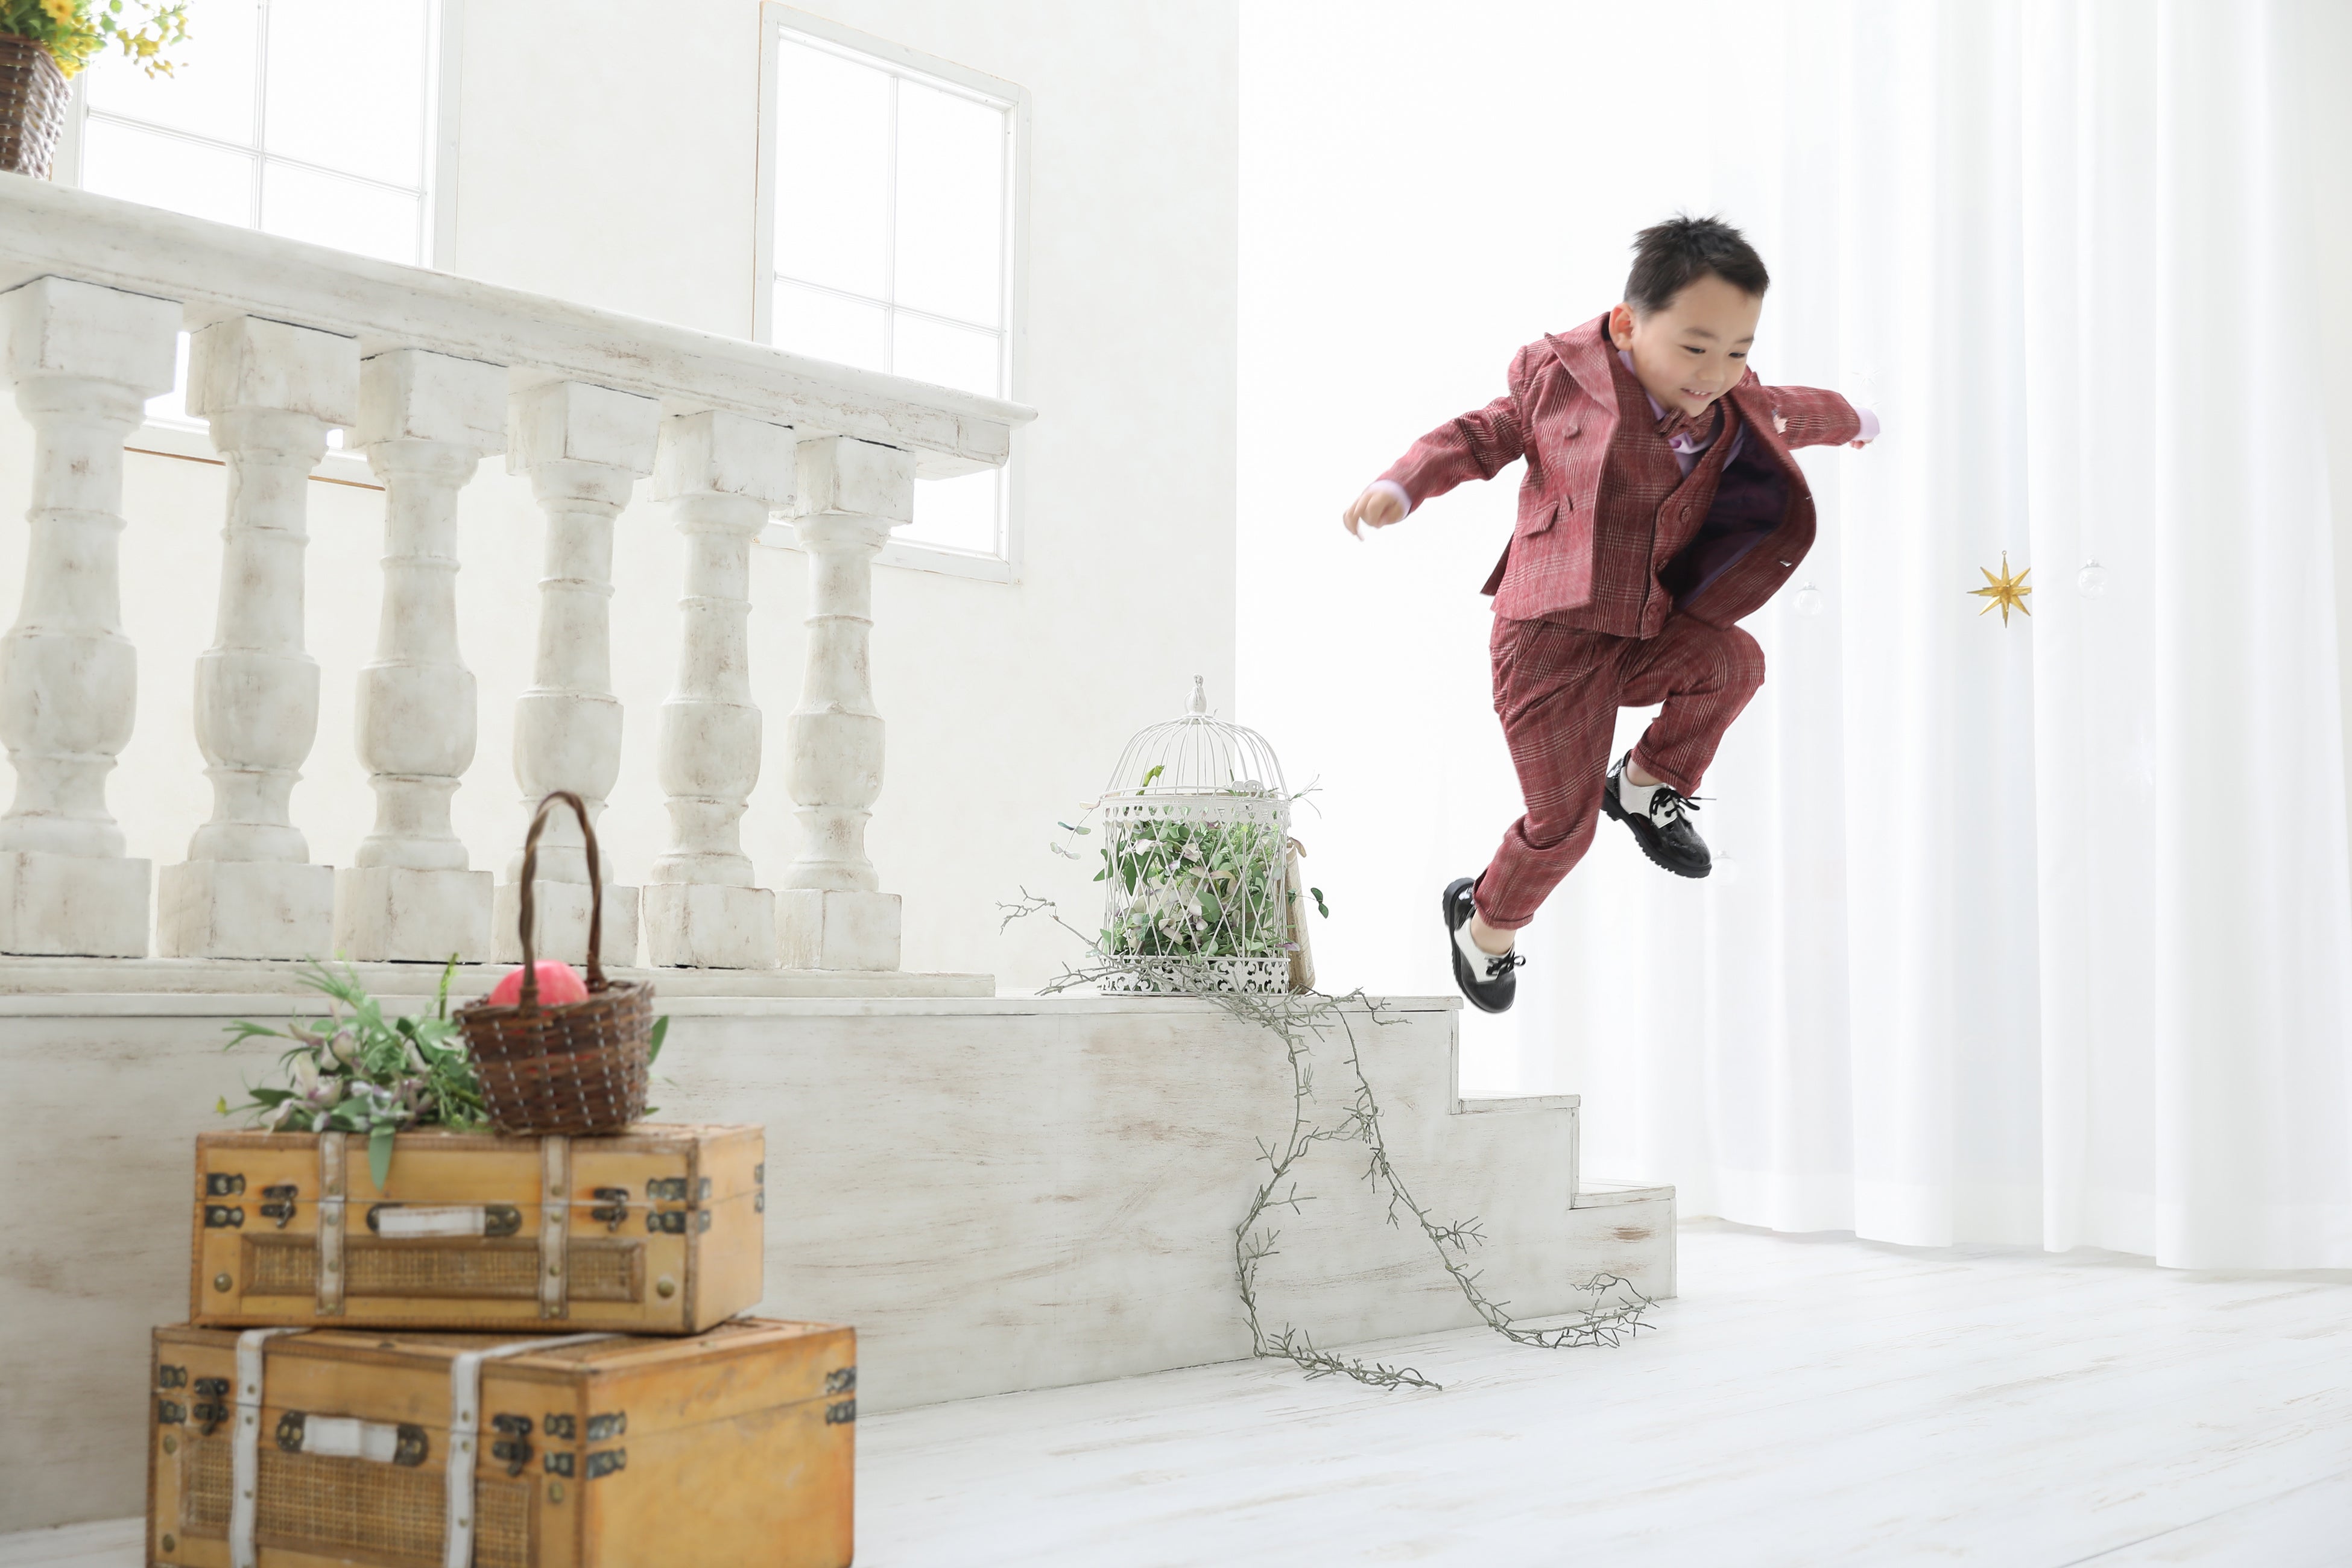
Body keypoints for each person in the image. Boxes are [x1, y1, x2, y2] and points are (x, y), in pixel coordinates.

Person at [1342, 215, 1877, 1014]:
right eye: (1694, 348)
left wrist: (1858, 420)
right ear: (1627, 326)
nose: (1715, 373)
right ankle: (1484, 925)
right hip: (1549, 642)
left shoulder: (1730, 403)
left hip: (1644, 629)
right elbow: (1478, 436)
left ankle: (1644, 782)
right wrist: (1404, 482)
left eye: (1737, 352)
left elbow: (1790, 412)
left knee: (1734, 662)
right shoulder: (1560, 382)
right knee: (1563, 828)